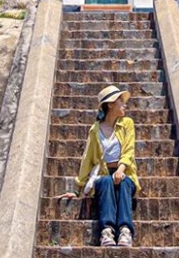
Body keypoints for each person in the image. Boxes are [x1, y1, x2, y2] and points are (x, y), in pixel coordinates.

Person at [58, 84, 140, 247]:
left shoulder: (127, 124)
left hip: (124, 172)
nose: (125, 105)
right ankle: (107, 231)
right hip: (103, 174)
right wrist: (77, 189)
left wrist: (121, 169)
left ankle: (125, 230)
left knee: (123, 182)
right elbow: (87, 159)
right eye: (120, 102)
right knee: (105, 181)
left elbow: (129, 150)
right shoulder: (95, 130)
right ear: (110, 104)